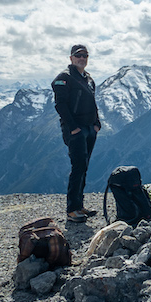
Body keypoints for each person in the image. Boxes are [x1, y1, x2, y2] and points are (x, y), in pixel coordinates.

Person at [52, 45, 102, 223]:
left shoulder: (88, 79)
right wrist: (73, 127)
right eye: (78, 55)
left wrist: (97, 124)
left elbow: (92, 102)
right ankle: (72, 209)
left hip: (89, 128)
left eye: (85, 55)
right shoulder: (64, 78)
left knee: (84, 166)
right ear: (71, 58)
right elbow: (60, 105)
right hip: (76, 130)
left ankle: (80, 206)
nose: (82, 58)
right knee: (78, 167)